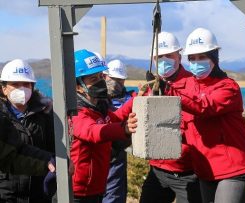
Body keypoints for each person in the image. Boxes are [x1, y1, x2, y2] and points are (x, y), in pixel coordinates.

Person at [175, 27, 245, 203]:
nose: (196, 62)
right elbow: (185, 127)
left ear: (214, 58)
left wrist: (174, 96)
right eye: (193, 58)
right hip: (206, 171)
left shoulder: (228, 87)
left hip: (234, 170)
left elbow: (204, 107)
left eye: (202, 57)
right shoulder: (189, 86)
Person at [139, 31, 202, 203]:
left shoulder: (193, 84)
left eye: (168, 55)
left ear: (179, 57)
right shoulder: (150, 87)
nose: (163, 60)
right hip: (158, 169)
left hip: (189, 172)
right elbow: (130, 112)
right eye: (159, 57)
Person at [70, 49, 137, 203]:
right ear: (77, 86)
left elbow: (115, 118)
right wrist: (124, 129)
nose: (100, 81)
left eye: (101, 76)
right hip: (79, 193)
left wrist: (137, 100)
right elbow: (93, 131)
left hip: (97, 188)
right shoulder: (75, 113)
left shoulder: (98, 107)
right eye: (93, 79)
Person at [0, 59, 56, 202]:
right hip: (6, 193)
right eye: (15, 84)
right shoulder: (2, 117)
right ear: (4, 88)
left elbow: (53, 149)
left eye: (26, 84)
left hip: (38, 190)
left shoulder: (45, 113)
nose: (21, 89)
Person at [102, 59, 135, 203]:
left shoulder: (131, 99)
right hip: (97, 151)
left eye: (120, 80)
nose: (116, 83)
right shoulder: (97, 99)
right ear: (105, 76)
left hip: (116, 155)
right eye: (113, 78)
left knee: (113, 196)